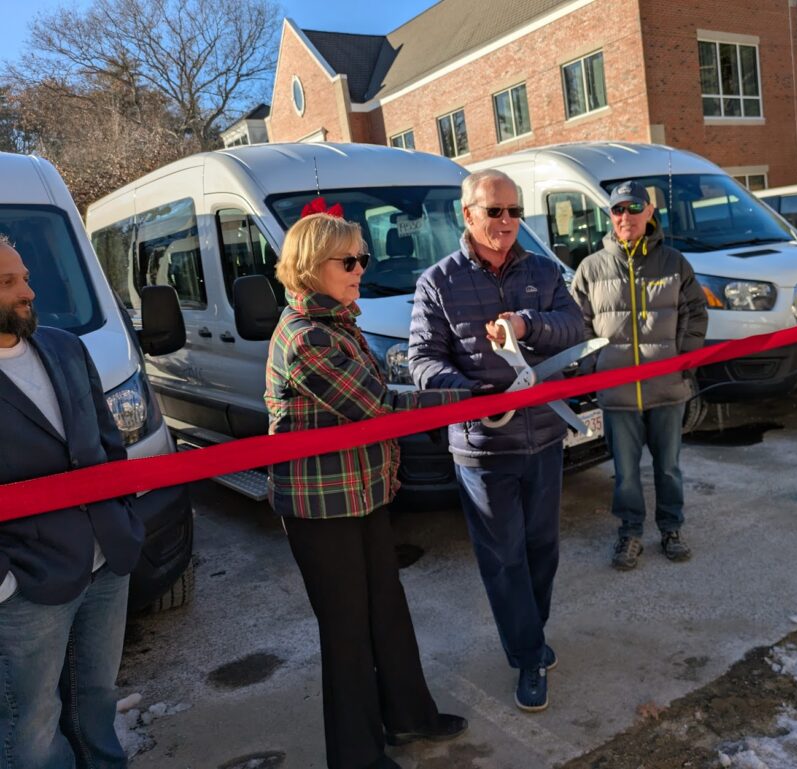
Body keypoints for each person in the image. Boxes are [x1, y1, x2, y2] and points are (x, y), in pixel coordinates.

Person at [265, 213, 468, 769]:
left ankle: (409, 718)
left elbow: (379, 394)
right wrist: (466, 401)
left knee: (387, 612)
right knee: (348, 632)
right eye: (349, 261)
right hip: (321, 510)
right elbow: (378, 407)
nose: (361, 270)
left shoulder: (340, 324)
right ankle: (356, 755)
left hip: (364, 496)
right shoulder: (307, 337)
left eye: (362, 259)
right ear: (311, 267)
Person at [407, 169, 584, 713]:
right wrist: (471, 393)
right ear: (469, 215)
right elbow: (421, 361)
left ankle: (530, 635)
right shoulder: (438, 282)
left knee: (542, 551)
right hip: (483, 447)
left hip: (546, 436)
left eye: (514, 211)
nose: (506, 222)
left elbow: (575, 327)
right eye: (494, 211)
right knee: (503, 559)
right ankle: (528, 655)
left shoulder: (544, 270)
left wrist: (527, 325)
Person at [0, 234, 144, 768]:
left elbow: (106, 444)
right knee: (32, 730)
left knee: (97, 706)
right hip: (28, 586)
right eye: (9, 283)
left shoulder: (64, 346)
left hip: (108, 563)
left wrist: (124, 522)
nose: (28, 292)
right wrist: (5, 584)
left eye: (25, 277)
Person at [570, 180, 708, 571]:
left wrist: (683, 358)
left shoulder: (674, 262)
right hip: (617, 396)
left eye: (633, 208)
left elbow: (696, 313)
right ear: (610, 216)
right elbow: (576, 324)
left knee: (668, 468)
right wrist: (593, 368)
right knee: (625, 475)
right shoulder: (591, 269)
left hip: (668, 390)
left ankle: (671, 528)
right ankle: (630, 533)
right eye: (617, 210)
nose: (625, 216)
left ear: (649, 212)